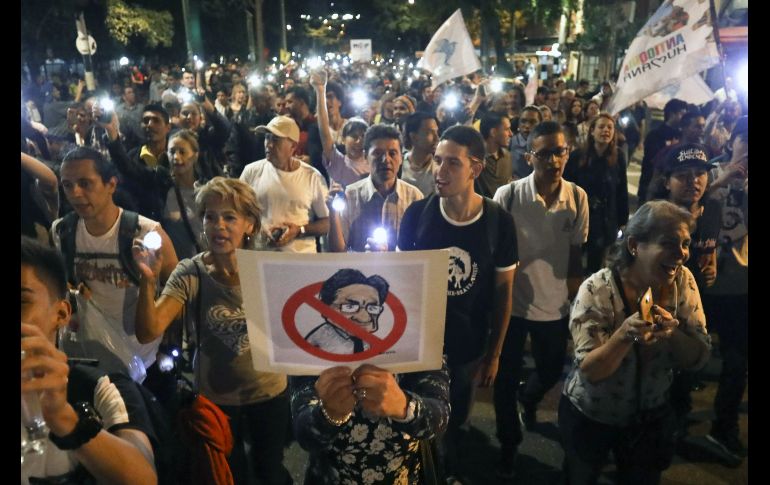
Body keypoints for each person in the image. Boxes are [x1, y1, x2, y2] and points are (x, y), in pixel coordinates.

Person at [133, 177, 292, 485]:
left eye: (230, 217)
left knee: (269, 471)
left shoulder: (269, 267)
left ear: (250, 225)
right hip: (217, 399)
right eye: (210, 216)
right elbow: (148, 330)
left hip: (269, 393)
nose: (219, 225)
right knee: (226, 475)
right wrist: (148, 281)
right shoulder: (190, 272)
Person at [559, 200, 711, 484]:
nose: (682, 254)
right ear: (633, 245)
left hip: (650, 419)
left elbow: (700, 356)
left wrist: (673, 335)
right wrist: (624, 335)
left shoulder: (683, 282)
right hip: (593, 416)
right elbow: (591, 371)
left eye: (686, 243)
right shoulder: (597, 289)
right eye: (668, 243)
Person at [398, 125, 518, 482]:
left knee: (456, 422)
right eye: (437, 161)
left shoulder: (498, 221)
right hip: (421, 347)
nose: (440, 171)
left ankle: (450, 471)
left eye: (452, 163)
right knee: (415, 423)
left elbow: (503, 294)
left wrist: (493, 354)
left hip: (468, 349)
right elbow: (404, 284)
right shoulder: (417, 216)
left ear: (475, 169)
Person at [492, 120, 588, 478]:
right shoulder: (509, 196)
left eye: (560, 151)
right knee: (505, 377)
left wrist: (575, 298)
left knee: (550, 370)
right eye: (545, 152)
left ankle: (528, 399)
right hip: (512, 307)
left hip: (555, 305)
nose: (554, 160)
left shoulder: (577, 197)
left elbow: (578, 251)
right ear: (529, 156)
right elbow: (495, 253)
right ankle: (507, 442)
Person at [21, 236, 158, 485]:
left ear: (61, 313)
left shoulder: (97, 386)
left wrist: (64, 418)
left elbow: (143, 478)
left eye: (22, 302)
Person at [51, 147, 179, 384]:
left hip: (144, 358)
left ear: (111, 184)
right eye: (67, 185)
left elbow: (178, 291)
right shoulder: (63, 231)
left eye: (85, 183)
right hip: (89, 357)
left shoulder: (145, 232)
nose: (76, 193)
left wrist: (169, 345)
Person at [290, 359, 450, 484]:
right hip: (331, 476)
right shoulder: (312, 347)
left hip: (405, 475)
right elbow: (305, 436)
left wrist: (403, 406)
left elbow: (439, 419)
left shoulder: (417, 340)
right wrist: (329, 414)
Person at [702, 122, 748, 463]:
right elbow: (676, 207)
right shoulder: (708, 171)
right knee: (688, 357)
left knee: (736, 363)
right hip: (703, 284)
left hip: (741, 288)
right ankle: (669, 416)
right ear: (731, 141)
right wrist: (721, 180)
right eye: (745, 142)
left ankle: (723, 426)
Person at [239, 115, 330, 253]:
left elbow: (327, 223)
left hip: (299, 262)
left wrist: (299, 230)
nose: (269, 144)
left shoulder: (312, 177)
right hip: (260, 258)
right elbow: (237, 212)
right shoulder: (251, 171)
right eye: (267, 138)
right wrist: (255, 231)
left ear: (293, 145)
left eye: (275, 139)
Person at [327, 124, 423, 253]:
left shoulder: (414, 197)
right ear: (366, 156)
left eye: (392, 153)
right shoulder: (350, 195)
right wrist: (333, 214)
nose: (386, 159)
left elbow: (419, 249)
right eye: (377, 153)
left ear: (401, 157)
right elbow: (336, 252)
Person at [564, 113, 629, 273]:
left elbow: (621, 189)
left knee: (597, 265)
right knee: (574, 263)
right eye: (601, 127)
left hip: (606, 219)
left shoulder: (618, 156)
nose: (605, 130)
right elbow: (567, 187)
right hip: (581, 217)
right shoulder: (578, 156)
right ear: (592, 131)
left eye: (610, 127)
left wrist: (622, 218)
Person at [104, 103, 173, 221]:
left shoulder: (176, 156)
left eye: (156, 120)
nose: (150, 125)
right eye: (146, 121)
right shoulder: (132, 156)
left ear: (168, 127)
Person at [304, 269, 389, 353]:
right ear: (326, 309)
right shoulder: (318, 341)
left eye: (372, 308)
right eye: (350, 307)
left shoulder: (370, 342)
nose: (364, 318)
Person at [311, 69, 370, 187]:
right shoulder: (338, 162)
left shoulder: (374, 162)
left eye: (362, 136)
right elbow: (324, 131)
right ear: (343, 139)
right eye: (353, 136)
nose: (358, 141)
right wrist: (320, 90)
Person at [638, 98, 688, 203]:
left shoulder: (682, 136)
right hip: (651, 186)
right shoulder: (655, 135)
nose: (684, 119)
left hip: (671, 190)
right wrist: (670, 149)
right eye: (681, 114)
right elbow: (652, 160)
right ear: (671, 114)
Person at [402, 111, 440, 197]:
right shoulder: (399, 166)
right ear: (414, 137)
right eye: (430, 132)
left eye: (437, 132)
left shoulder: (439, 168)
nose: (437, 138)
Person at [476, 112, 513, 198]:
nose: (511, 134)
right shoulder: (474, 159)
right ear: (493, 132)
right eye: (507, 129)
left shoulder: (507, 156)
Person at [510, 106, 543, 180]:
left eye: (532, 122)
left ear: (540, 124)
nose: (527, 126)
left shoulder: (546, 144)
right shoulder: (510, 142)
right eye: (523, 121)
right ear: (518, 124)